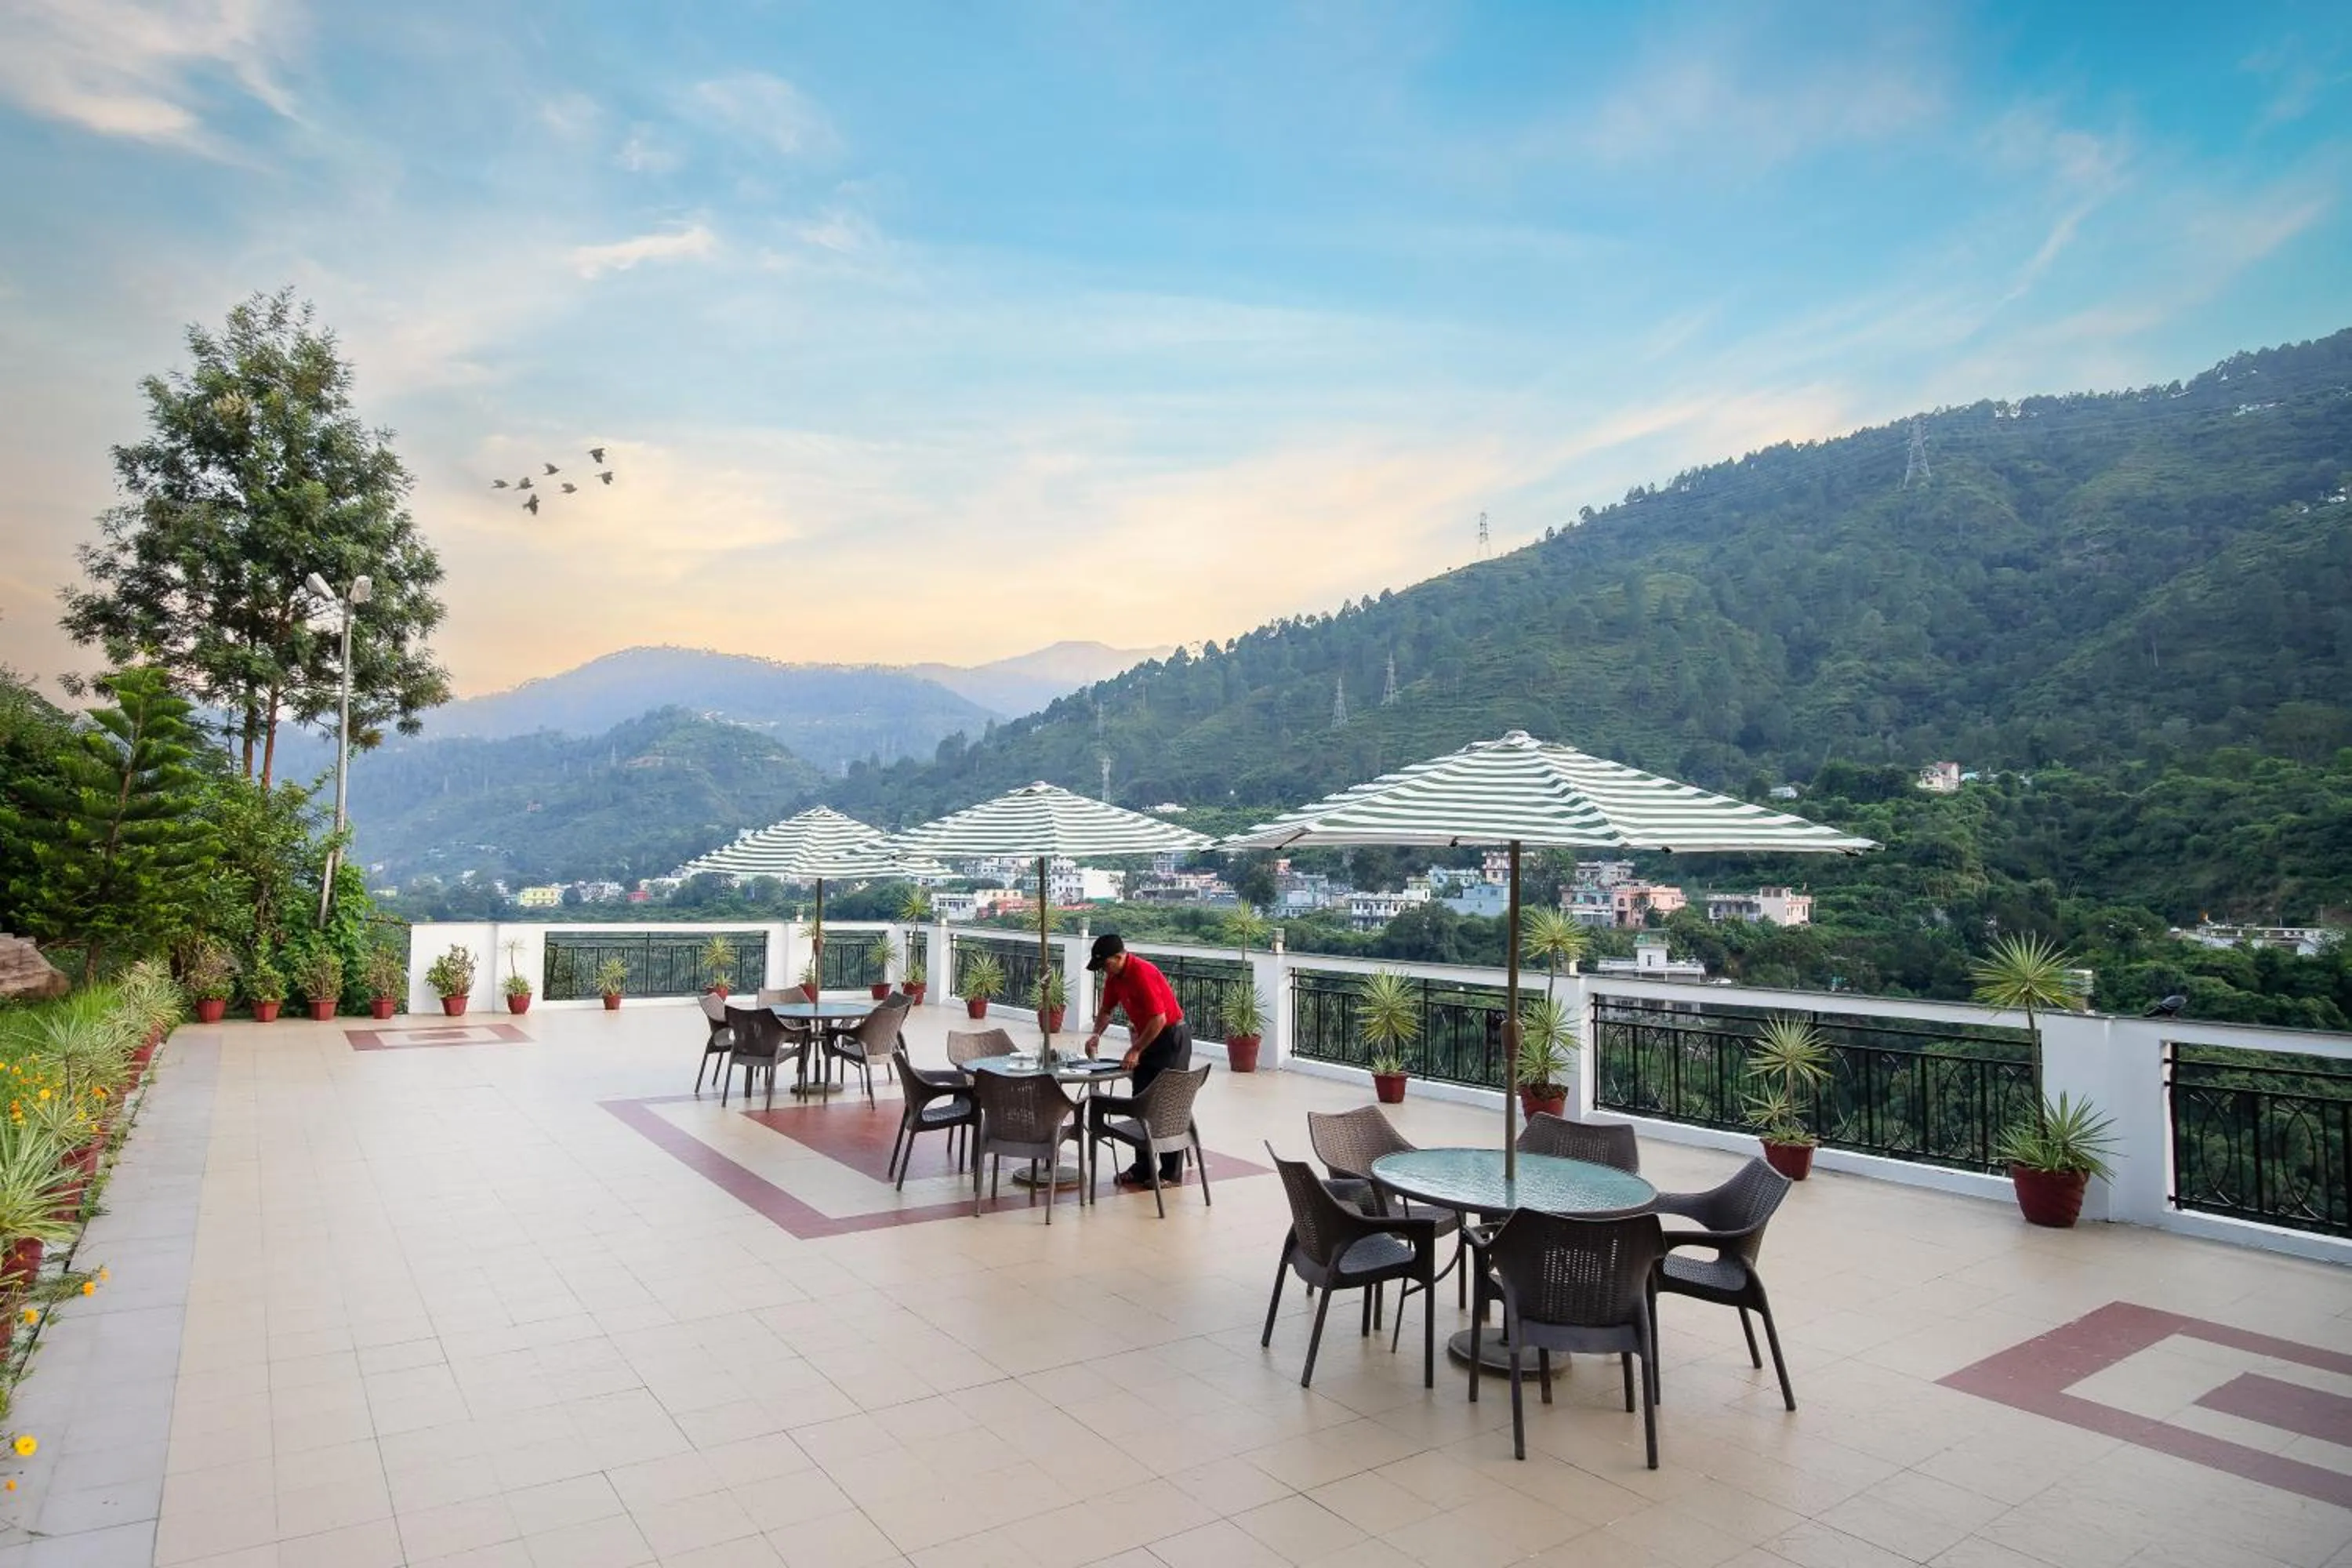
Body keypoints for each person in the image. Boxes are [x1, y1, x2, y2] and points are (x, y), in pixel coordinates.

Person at [1082, 932, 1192, 1185]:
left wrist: (1136, 1050)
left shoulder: (1142, 973)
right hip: (1149, 1037)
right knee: (1141, 1099)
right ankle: (1144, 1165)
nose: (1104, 971)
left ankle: (1169, 1173)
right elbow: (1106, 1010)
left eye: (1105, 964)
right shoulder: (1114, 978)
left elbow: (1159, 1019)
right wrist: (1096, 1034)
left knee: (1167, 1100)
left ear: (1120, 957)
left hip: (1171, 1037)